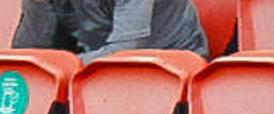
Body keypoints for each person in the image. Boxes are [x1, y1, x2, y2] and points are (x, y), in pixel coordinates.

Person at [13, 0, 209, 63]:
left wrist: (62, 66)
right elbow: (28, 52)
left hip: (168, 66)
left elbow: (126, 51)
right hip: (93, 66)